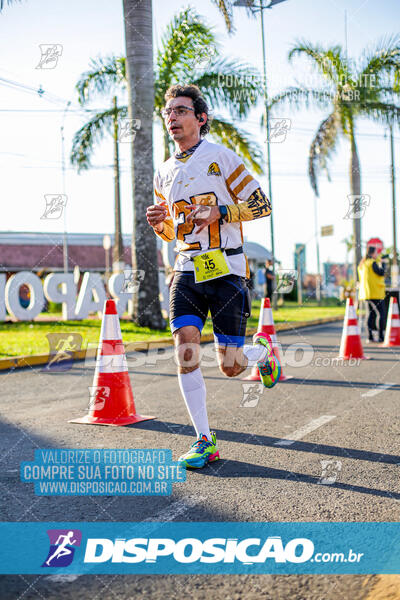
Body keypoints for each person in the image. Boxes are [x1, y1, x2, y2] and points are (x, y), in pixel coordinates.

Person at [146, 84, 280, 469]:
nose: (172, 117)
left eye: (180, 111)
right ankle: (205, 439)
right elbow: (173, 232)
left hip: (227, 269)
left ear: (200, 118)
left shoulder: (220, 156)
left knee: (231, 366)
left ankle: (262, 352)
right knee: (185, 350)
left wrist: (220, 212)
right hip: (186, 268)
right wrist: (161, 224)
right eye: (168, 112)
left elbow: (261, 204)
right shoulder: (163, 172)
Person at [358, 246, 386, 342]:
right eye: (376, 253)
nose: (377, 254)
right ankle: (381, 337)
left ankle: (370, 337)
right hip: (375, 293)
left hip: (365, 293)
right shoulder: (372, 263)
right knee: (381, 314)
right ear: (373, 253)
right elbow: (381, 273)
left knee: (371, 315)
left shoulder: (362, 264)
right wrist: (383, 264)